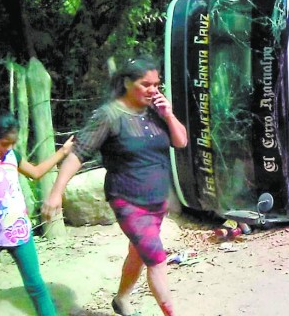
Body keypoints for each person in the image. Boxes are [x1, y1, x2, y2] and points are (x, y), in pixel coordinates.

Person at [42, 55, 188, 316]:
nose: (153, 89)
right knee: (155, 258)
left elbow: (181, 142)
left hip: (156, 201)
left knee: (138, 252)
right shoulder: (108, 116)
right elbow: (78, 154)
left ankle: (121, 300)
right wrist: (55, 193)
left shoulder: (156, 111)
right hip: (127, 200)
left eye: (156, 84)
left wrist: (168, 114)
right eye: (146, 84)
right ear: (126, 83)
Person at [0, 110, 74, 316]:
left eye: (13, 142)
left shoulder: (13, 156)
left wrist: (63, 152)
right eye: (4, 143)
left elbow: (36, 172)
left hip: (18, 231)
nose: (9, 148)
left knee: (35, 285)